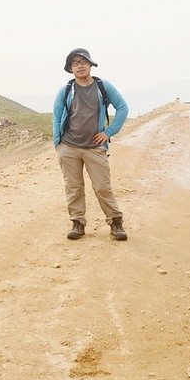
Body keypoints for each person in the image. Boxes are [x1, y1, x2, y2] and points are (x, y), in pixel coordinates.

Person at [52, 48, 129, 240]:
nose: (80, 66)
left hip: (95, 147)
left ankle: (116, 222)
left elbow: (122, 108)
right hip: (69, 147)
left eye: (83, 62)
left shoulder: (103, 86)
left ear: (90, 65)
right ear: (70, 68)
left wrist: (109, 132)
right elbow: (56, 117)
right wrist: (58, 145)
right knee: (73, 187)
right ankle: (77, 223)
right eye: (75, 63)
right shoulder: (66, 90)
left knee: (102, 186)